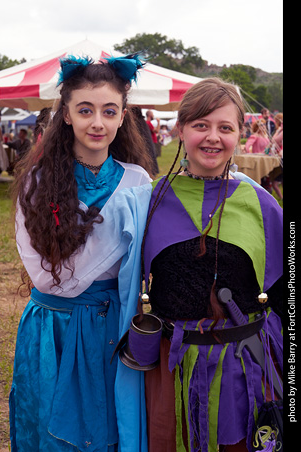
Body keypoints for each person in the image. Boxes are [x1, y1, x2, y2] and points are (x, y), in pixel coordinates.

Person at [29, 78, 283, 452]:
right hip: (171, 374)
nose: (212, 137)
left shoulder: (262, 204)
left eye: (225, 128)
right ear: (179, 129)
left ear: (240, 134)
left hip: (245, 371)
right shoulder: (145, 201)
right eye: (201, 125)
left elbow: (285, 295)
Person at [9, 53, 153, 452]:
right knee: (48, 426)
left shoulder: (138, 182)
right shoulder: (37, 183)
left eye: (109, 111)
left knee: (108, 425)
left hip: (111, 328)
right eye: (85, 110)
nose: (97, 122)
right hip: (53, 325)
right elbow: (44, 276)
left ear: (123, 116)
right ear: (67, 115)